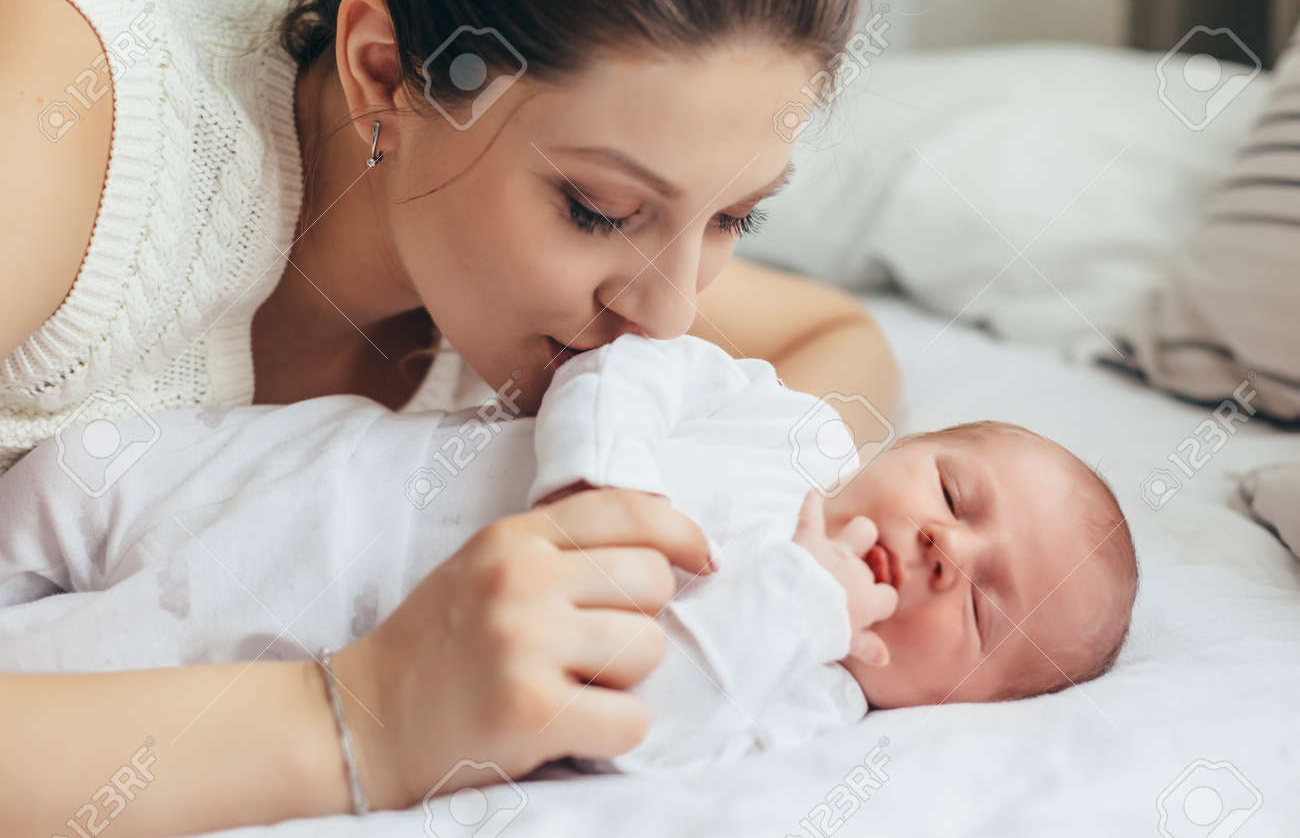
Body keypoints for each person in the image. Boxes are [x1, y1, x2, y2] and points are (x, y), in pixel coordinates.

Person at [0, 0, 898, 833]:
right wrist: (365, 717)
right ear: (383, 73)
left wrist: (733, 520)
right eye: (599, 209)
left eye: (734, 218)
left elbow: (836, 333)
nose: (670, 318)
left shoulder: (574, 285)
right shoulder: (64, 112)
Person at [0, 334, 1136, 777]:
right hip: (312, 471)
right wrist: (598, 481)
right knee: (72, 473)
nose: (945, 548)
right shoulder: (788, 427)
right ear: (902, 448)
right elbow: (625, 365)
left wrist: (797, 607)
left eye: (983, 609)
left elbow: (634, 727)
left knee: (69, 673)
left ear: (957, 699)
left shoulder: (806, 697)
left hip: (278, 631)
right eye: (954, 494)